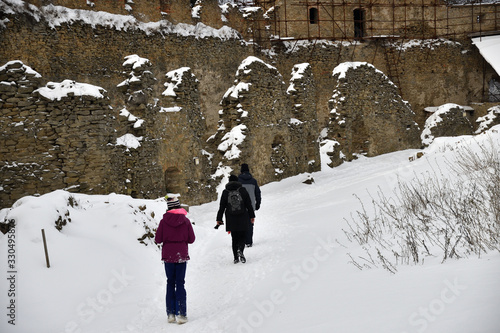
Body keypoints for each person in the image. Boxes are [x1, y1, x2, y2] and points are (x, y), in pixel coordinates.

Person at [154, 196, 195, 325]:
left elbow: (158, 239)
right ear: (179, 207)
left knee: (170, 283)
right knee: (180, 283)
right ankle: (182, 314)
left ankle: (171, 313)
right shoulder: (186, 221)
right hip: (181, 255)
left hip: (168, 255)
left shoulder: (163, 221)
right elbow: (191, 239)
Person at [216, 174, 255, 264]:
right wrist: (252, 216)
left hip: (231, 217)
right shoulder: (242, 190)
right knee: (242, 236)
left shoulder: (225, 192)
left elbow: (222, 206)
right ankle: (240, 250)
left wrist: (219, 219)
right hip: (243, 216)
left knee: (234, 238)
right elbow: (249, 204)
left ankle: (235, 258)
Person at [238, 163, 261, 247]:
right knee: (250, 224)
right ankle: (249, 241)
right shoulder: (253, 181)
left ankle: (242, 241)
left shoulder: (238, 181)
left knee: (240, 224)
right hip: (251, 206)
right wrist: (257, 203)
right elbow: (257, 193)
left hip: (240, 207)